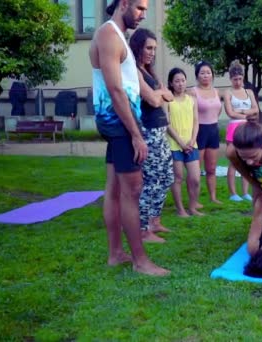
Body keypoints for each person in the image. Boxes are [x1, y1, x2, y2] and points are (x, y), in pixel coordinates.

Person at [89, 0, 168, 275]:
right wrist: (136, 134)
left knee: (113, 190)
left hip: (118, 122)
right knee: (133, 191)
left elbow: (133, 84)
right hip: (119, 123)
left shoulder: (117, 36)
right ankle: (140, 261)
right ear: (123, 4)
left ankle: (116, 253)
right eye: (140, 8)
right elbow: (115, 90)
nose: (143, 15)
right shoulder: (109, 34)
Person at [129, 28, 175, 243]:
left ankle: (155, 220)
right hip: (148, 132)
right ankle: (143, 228)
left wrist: (160, 94)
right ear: (137, 46)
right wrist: (160, 95)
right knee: (152, 180)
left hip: (160, 131)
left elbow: (170, 96)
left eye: (154, 49)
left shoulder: (149, 72)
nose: (152, 52)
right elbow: (156, 100)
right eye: (148, 48)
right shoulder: (134, 70)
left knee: (166, 177)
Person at [166, 67, 204, 217]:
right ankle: (180, 209)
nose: (180, 84)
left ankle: (193, 206)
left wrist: (192, 140)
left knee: (195, 178)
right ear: (171, 83)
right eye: (177, 81)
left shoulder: (192, 100)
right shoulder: (168, 100)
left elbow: (196, 121)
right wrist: (181, 142)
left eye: (182, 80)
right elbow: (167, 124)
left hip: (191, 144)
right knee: (178, 178)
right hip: (175, 145)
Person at [187, 61, 222, 204]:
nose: (206, 75)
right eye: (202, 73)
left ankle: (213, 197)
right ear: (197, 76)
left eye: (208, 72)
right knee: (196, 170)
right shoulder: (192, 92)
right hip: (199, 131)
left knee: (211, 168)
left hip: (213, 130)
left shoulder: (216, 91)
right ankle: (194, 200)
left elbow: (218, 110)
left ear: (212, 75)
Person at [223, 60, 258, 202]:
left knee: (247, 160)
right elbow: (230, 113)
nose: (237, 82)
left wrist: (242, 111)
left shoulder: (248, 92)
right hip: (234, 128)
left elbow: (255, 109)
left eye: (239, 79)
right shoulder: (228, 92)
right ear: (230, 79)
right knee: (234, 160)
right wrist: (247, 115)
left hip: (247, 127)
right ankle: (233, 193)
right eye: (235, 79)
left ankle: (245, 191)